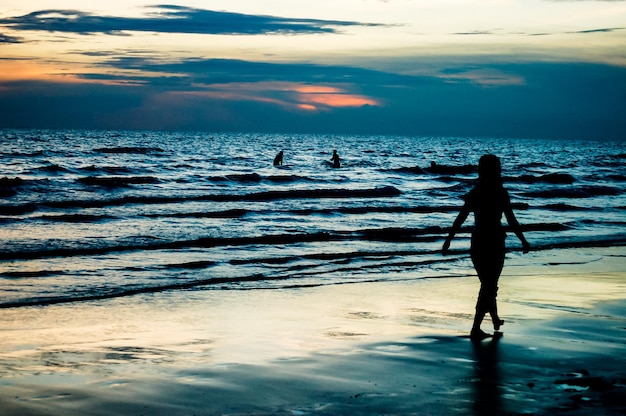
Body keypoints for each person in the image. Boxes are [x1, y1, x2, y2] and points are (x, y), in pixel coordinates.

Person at [442, 154, 530, 341]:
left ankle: (494, 321)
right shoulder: (500, 193)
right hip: (495, 242)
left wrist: (449, 239)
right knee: (489, 285)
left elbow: (461, 217)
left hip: (479, 241)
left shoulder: (476, 193)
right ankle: (477, 328)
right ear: (496, 170)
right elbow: (511, 220)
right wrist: (522, 240)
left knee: (488, 285)